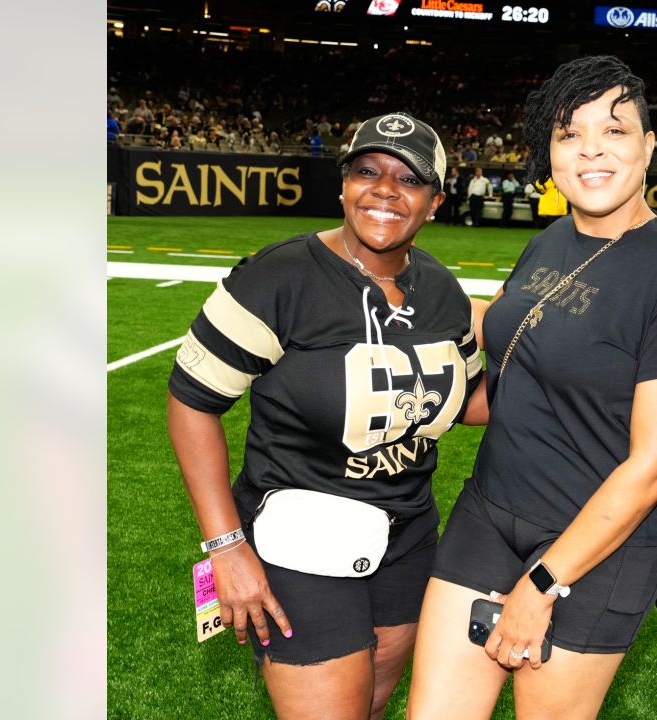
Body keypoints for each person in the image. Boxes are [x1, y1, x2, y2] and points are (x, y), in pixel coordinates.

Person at [407, 55, 657, 720]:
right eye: (569, 133)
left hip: (595, 547)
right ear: (548, 150)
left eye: (613, 131)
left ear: (648, 146)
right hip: (490, 512)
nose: (591, 151)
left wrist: (543, 584)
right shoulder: (550, 241)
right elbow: (511, 377)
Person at [167, 112, 487, 720]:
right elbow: (191, 401)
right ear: (343, 184)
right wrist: (227, 545)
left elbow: (467, 400)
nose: (386, 189)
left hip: (409, 535)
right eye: (367, 171)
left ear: (436, 200)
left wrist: (570, 380)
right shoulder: (278, 277)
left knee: (370, 702)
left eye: (409, 178)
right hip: (299, 535)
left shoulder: (445, 292)